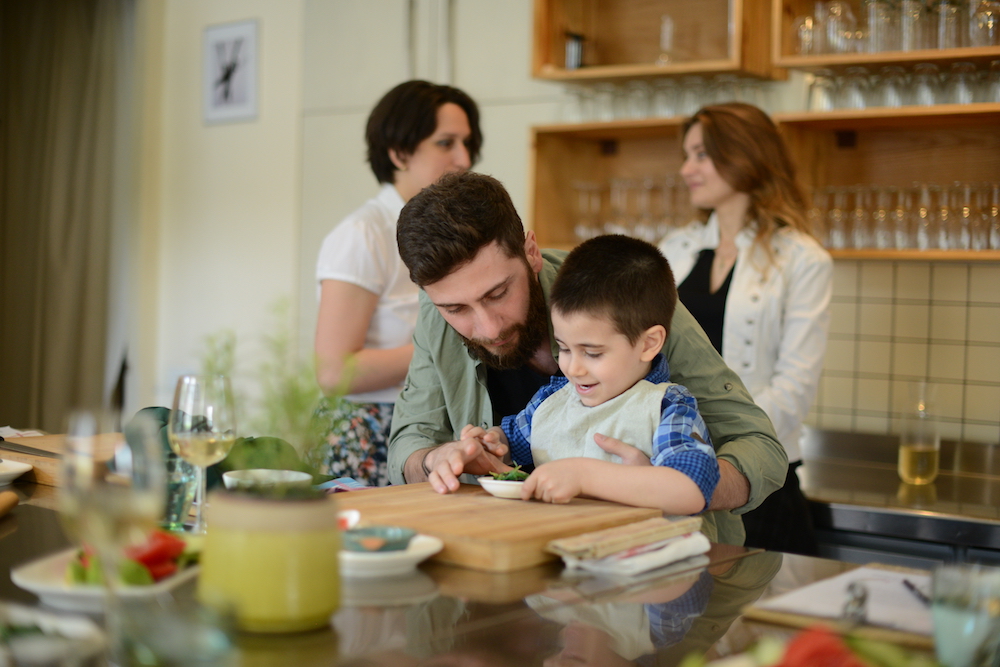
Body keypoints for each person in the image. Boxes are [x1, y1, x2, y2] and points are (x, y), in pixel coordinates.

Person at [389, 171, 787, 546]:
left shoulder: (617, 298)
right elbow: (409, 445)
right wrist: (439, 460)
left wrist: (652, 486)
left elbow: (759, 447)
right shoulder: (434, 312)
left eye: (497, 294)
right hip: (520, 556)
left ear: (530, 252)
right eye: (456, 309)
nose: (489, 327)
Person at [658, 102, 832, 555]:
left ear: (742, 156)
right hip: (672, 477)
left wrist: (718, 450)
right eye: (686, 154)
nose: (686, 168)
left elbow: (793, 389)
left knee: (758, 623)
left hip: (761, 482)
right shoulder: (672, 251)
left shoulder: (803, 259)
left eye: (700, 154)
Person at [461, 235, 720, 535]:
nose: (573, 367)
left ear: (649, 343)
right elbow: (511, 445)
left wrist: (585, 476)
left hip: (644, 567)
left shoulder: (666, 407)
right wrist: (490, 445)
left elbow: (690, 489)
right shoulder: (552, 399)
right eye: (565, 348)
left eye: (593, 353)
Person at [310, 80, 482, 486]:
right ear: (399, 152)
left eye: (467, 143)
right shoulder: (363, 234)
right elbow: (334, 372)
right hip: (369, 432)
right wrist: (451, 344)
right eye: (446, 143)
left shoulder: (452, 232)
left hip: (435, 430)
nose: (464, 158)